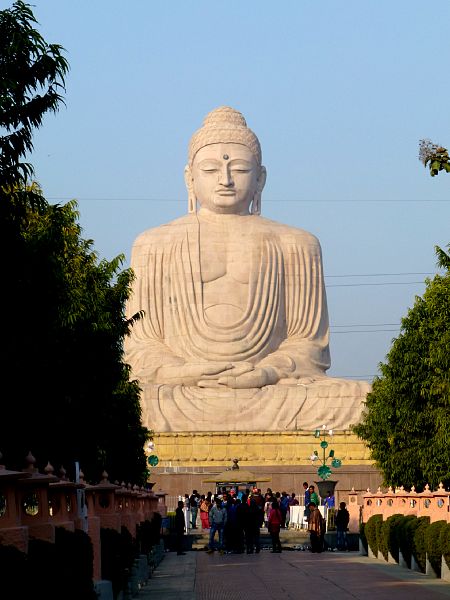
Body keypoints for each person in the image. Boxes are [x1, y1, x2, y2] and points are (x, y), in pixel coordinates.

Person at [124, 106, 371, 434]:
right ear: (189, 178)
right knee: (126, 401)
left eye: (238, 169)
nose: (225, 180)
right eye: (210, 169)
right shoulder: (154, 244)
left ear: (261, 178)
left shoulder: (296, 243)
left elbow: (309, 345)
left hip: (270, 390)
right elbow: (140, 347)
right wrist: (186, 371)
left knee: (362, 400)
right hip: (183, 390)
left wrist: (266, 373)